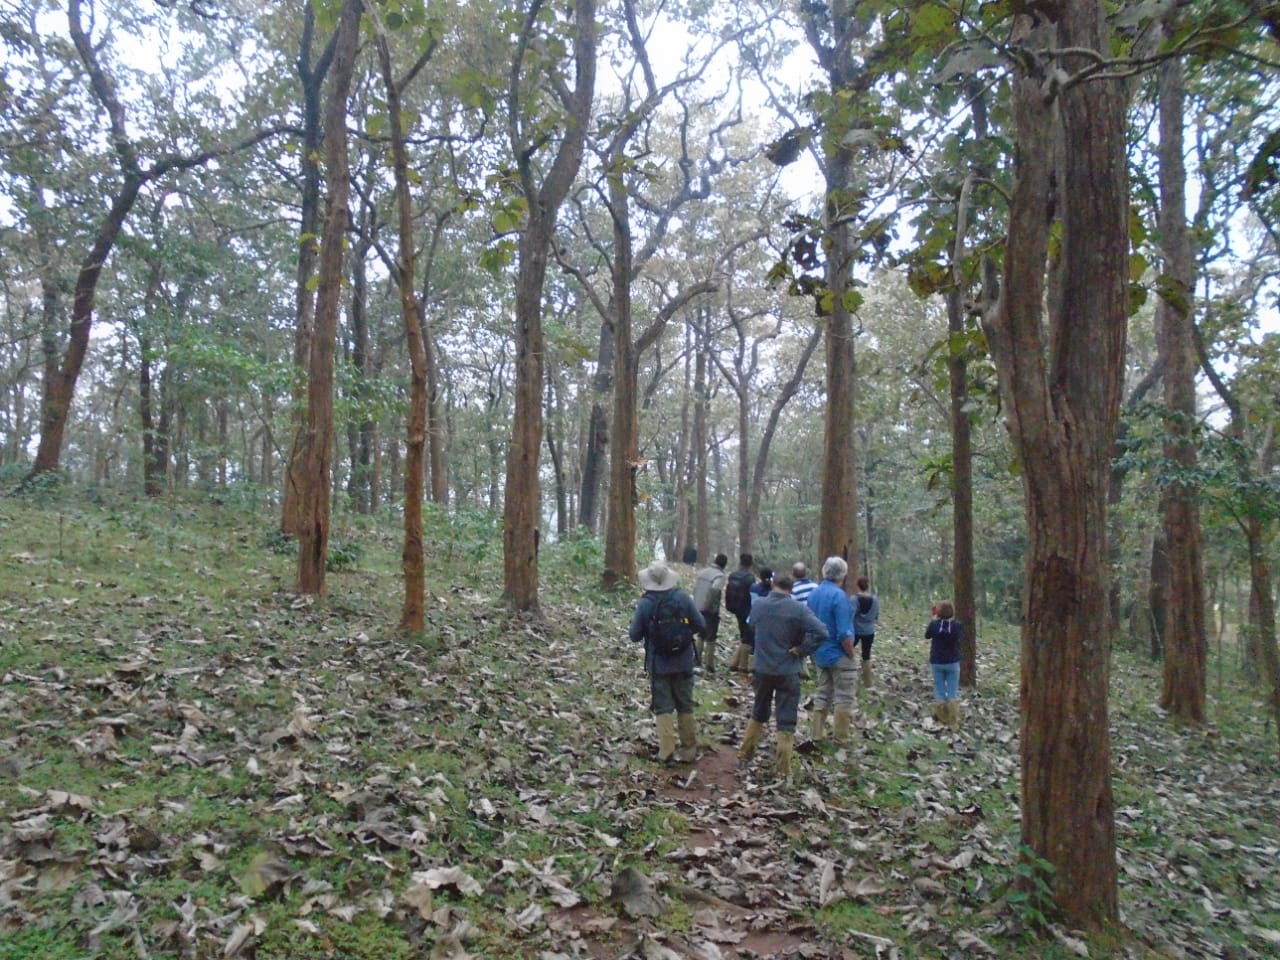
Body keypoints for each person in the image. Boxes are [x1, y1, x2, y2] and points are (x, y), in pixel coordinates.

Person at [737, 573, 827, 781]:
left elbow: (751, 626)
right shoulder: (798, 609)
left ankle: (744, 754)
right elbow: (822, 632)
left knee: (759, 711)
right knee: (786, 719)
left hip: (762, 668)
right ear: (791, 588)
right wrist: (802, 649)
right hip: (787, 670)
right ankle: (783, 769)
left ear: (772, 584)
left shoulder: (759, 605)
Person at [630, 561, 706, 764]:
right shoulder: (682, 597)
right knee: (685, 704)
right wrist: (683, 636)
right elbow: (701, 624)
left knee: (663, 707)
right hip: (684, 661)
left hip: (659, 663)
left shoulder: (645, 603)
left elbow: (634, 635)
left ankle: (667, 751)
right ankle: (689, 749)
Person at [806, 557, 858, 744]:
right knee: (844, 697)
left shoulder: (813, 595)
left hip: (819, 652)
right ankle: (840, 738)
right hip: (839, 653)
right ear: (843, 575)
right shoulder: (839, 597)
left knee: (823, 693)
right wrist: (851, 654)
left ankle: (816, 734)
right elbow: (844, 632)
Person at [925, 601, 964, 731]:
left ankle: (942, 718)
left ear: (938, 613)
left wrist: (933, 620)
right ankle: (953, 721)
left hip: (937, 662)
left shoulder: (934, 625)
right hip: (953, 662)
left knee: (940, 689)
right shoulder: (957, 626)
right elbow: (960, 637)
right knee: (952, 691)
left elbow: (927, 635)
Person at [692, 553, 728, 676]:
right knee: (711, 636)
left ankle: (696, 659)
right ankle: (709, 664)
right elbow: (714, 591)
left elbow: (695, 589)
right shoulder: (719, 576)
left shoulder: (703, 572)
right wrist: (709, 606)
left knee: (700, 634)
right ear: (724, 565)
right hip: (709, 609)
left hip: (697, 606)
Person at [724, 553, 756, 673]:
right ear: (751, 564)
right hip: (746, 608)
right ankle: (743, 665)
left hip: (735, 607)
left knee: (744, 633)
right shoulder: (750, 578)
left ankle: (736, 663)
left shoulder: (733, 575)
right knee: (748, 636)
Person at [853, 576, 880, 688]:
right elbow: (876, 615)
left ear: (857, 586)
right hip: (869, 631)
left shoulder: (854, 599)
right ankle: (867, 681)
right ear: (868, 586)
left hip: (855, 630)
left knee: (847, 651)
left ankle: (850, 675)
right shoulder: (875, 600)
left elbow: (850, 614)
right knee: (866, 655)